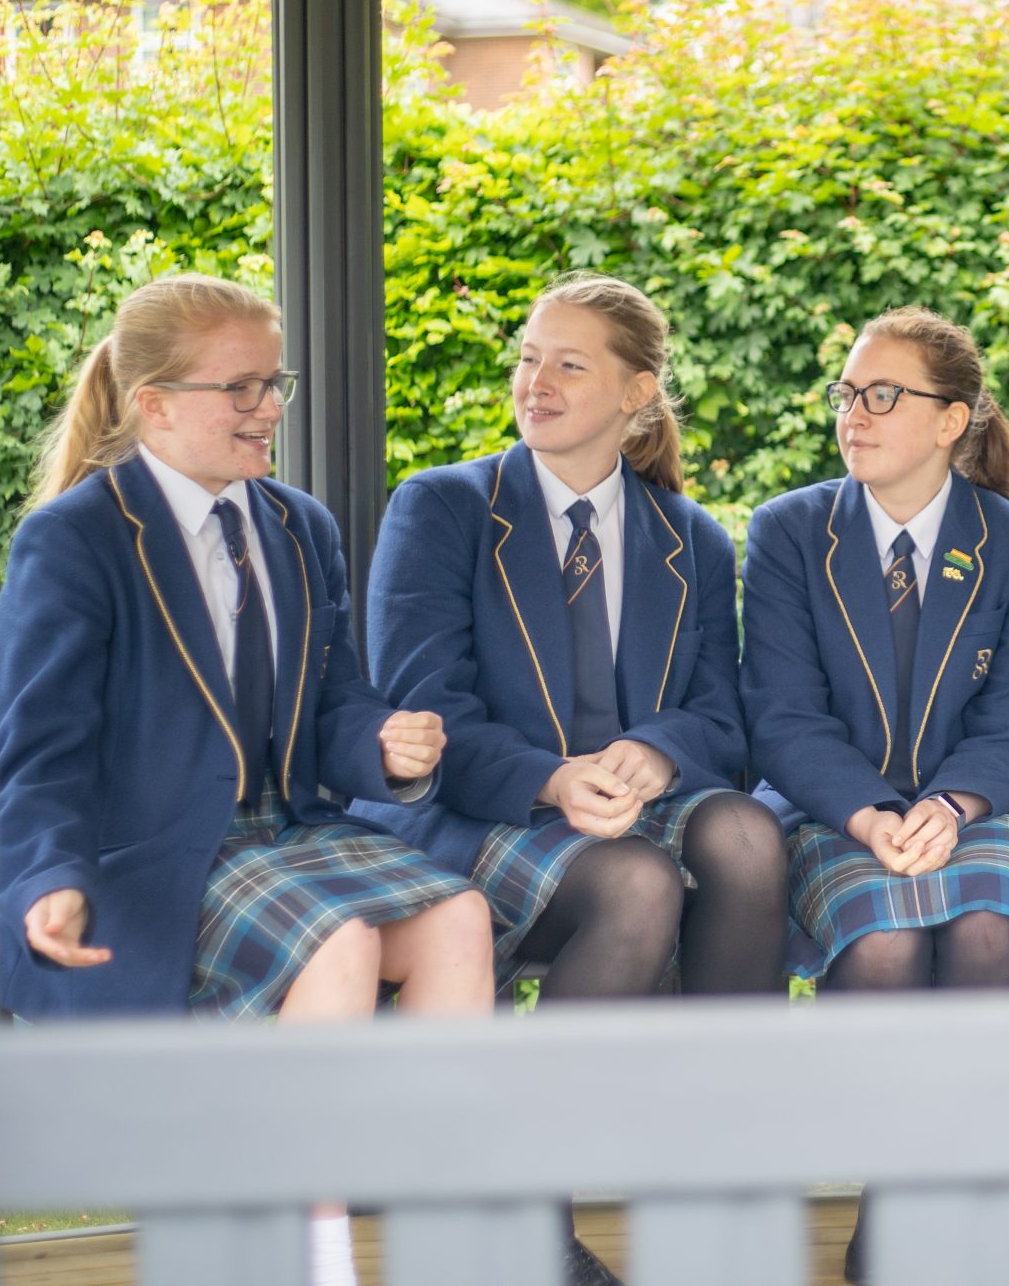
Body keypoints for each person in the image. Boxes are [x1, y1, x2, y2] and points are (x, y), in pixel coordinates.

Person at [0, 273, 492, 1286]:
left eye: (277, 385)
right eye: (242, 389)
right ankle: (310, 1253)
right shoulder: (77, 538)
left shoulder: (301, 527)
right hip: (156, 855)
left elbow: (337, 703)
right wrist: (46, 879)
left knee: (459, 919)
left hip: (289, 833)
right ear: (154, 404)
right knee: (339, 943)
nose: (268, 411)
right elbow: (35, 750)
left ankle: (443, 1230)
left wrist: (382, 744)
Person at [359, 273, 783, 1286]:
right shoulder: (445, 509)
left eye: (567, 363)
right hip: (483, 817)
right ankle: (523, 1216)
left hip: (637, 811)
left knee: (746, 838)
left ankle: (723, 1193)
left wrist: (658, 751)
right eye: (527, 357)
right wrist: (552, 781)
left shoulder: (692, 538)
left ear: (637, 394)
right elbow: (425, 714)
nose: (533, 381)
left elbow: (725, 720)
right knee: (635, 881)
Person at [739, 308, 1009, 1285]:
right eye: (847, 392)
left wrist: (956, 804)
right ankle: (894, 1206)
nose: (855, 413)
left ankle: (961, 1202)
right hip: (837, 811)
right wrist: (871, 813)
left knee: (985, 933)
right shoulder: (791, 532)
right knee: (881, 942)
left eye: (883, 395)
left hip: (985, 810)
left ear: (950, 419)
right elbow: (783, 719)